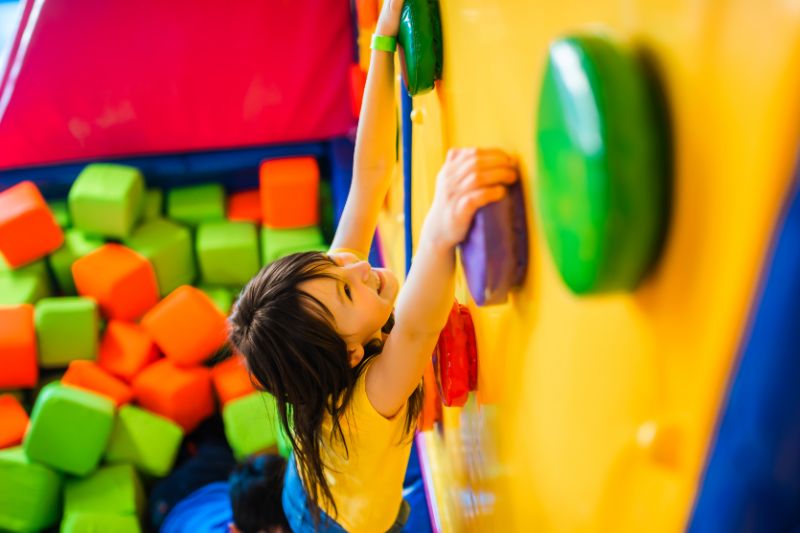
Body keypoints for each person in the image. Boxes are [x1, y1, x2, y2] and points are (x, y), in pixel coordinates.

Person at [227, 0, 518, 531]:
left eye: (331, 266)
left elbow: (368, 180)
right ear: (351, 351)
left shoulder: (335, 306)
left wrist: (382, 43)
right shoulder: (366, 406)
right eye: (345, 293)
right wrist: (439, 228)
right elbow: (413, 329)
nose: (357, 269)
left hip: (307, 482)